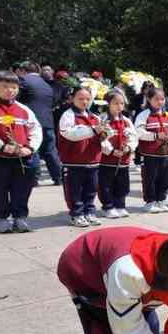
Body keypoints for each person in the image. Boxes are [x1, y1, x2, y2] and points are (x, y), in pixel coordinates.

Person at [0, 70, 41, 233]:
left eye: (14, 87)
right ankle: (1, 218)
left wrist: (30, 147)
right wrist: (1, 146)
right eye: (4, 86)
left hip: (22, 159)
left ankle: (19, 217)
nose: (10, 90)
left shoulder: (24, 110)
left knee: (21, 189)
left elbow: (36, 130)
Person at [58, 87, 107, 228]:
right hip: (74, 161)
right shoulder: (68, 115)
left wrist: (105, 133)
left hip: (93, 160)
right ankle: (76, 214)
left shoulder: (95, 117)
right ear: (72, 99)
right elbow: (69, 134)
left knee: (91, 189)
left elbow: (101, 136)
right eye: (80, 98)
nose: (84, 101)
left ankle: (89, 212)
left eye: (87, 99)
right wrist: (93, 130)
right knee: (74, 190)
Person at [135, 87, 168, 213]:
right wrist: (155, 136)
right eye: (156, 99)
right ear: (149, 99)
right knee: (150, 178)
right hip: (150, 154)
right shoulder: (144, 115)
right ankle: (150, 202)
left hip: (166, 153)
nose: (160, 102)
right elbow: (138, 132)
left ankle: (161, 200)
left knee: (165, 178)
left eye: (162, 99)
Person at [17, 62, 62, 186]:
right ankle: (58, 177)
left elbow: (15, 98)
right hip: (47, 121)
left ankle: (33, 178)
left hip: (31, 122)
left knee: (33, 148)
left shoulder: (23, 81)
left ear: (22, 71)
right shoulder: (46, 84)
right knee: (50, 151)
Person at [98, 90, 137, 219]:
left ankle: (120, 205)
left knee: (122, 184)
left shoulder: (126, 120)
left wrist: (128, 147)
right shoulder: (103, 119)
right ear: (108, 104)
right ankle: (108, 206)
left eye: (122, 103)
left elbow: (133, 136)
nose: (119, 106)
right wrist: (111, 151)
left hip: (123, 160)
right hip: (107, 160)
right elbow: (100, 139)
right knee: (106, 184)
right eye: (115, 103)